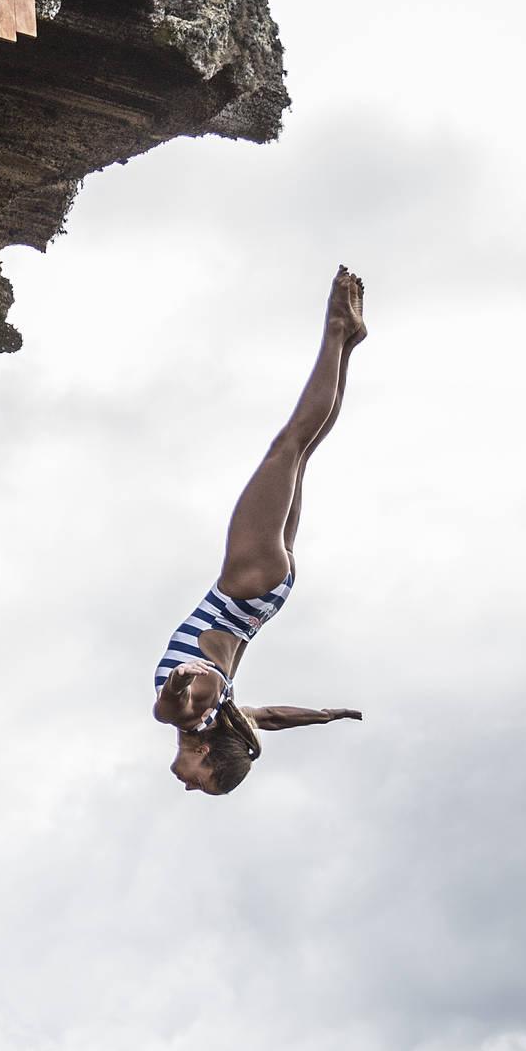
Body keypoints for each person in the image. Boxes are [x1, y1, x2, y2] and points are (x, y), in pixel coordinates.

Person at [153, 267, 367, 796]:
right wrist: (180, 683)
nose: (187, 786)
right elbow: (179, 696)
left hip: (268, 593)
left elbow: (267, 718)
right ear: (207, 757)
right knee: (290, 444)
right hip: (245, 582)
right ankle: (336, 330)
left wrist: (322, 716)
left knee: (303, 453)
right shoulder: (187, 713)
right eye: (202, 783)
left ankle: (347, 343)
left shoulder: (221, 718)